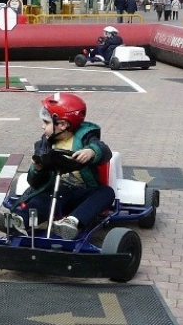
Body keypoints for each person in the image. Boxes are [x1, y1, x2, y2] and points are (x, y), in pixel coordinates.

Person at [8, 92, 115, 239]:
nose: (42, 126)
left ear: (63, 124)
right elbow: (35, 182)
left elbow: (105, 151)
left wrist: (91, 151)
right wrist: (38, 169)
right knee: (43, 198)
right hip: (58, 191)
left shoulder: (86, 138)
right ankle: (20, 220)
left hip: (84, 192)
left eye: (46, 123)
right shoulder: (44, 145)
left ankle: (71, 222)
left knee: (107, 193)